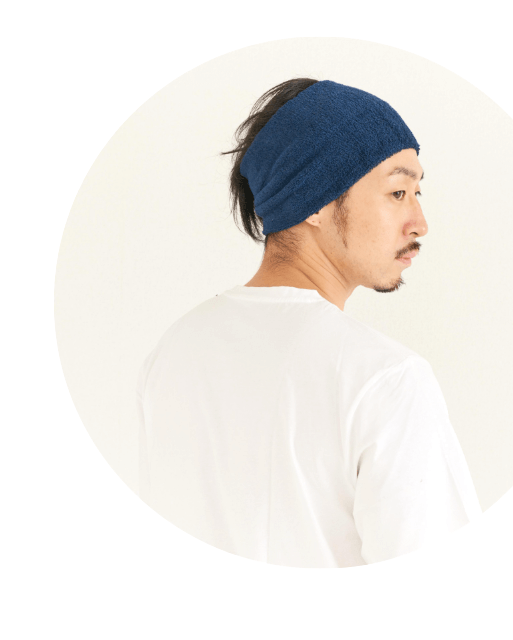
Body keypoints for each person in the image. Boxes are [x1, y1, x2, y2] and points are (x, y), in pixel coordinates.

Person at [136, 78, 482, 568]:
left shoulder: (173, 352)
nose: (419, 222)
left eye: (417, 192)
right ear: (315, 200)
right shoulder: (384, 379)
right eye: (398, 192)